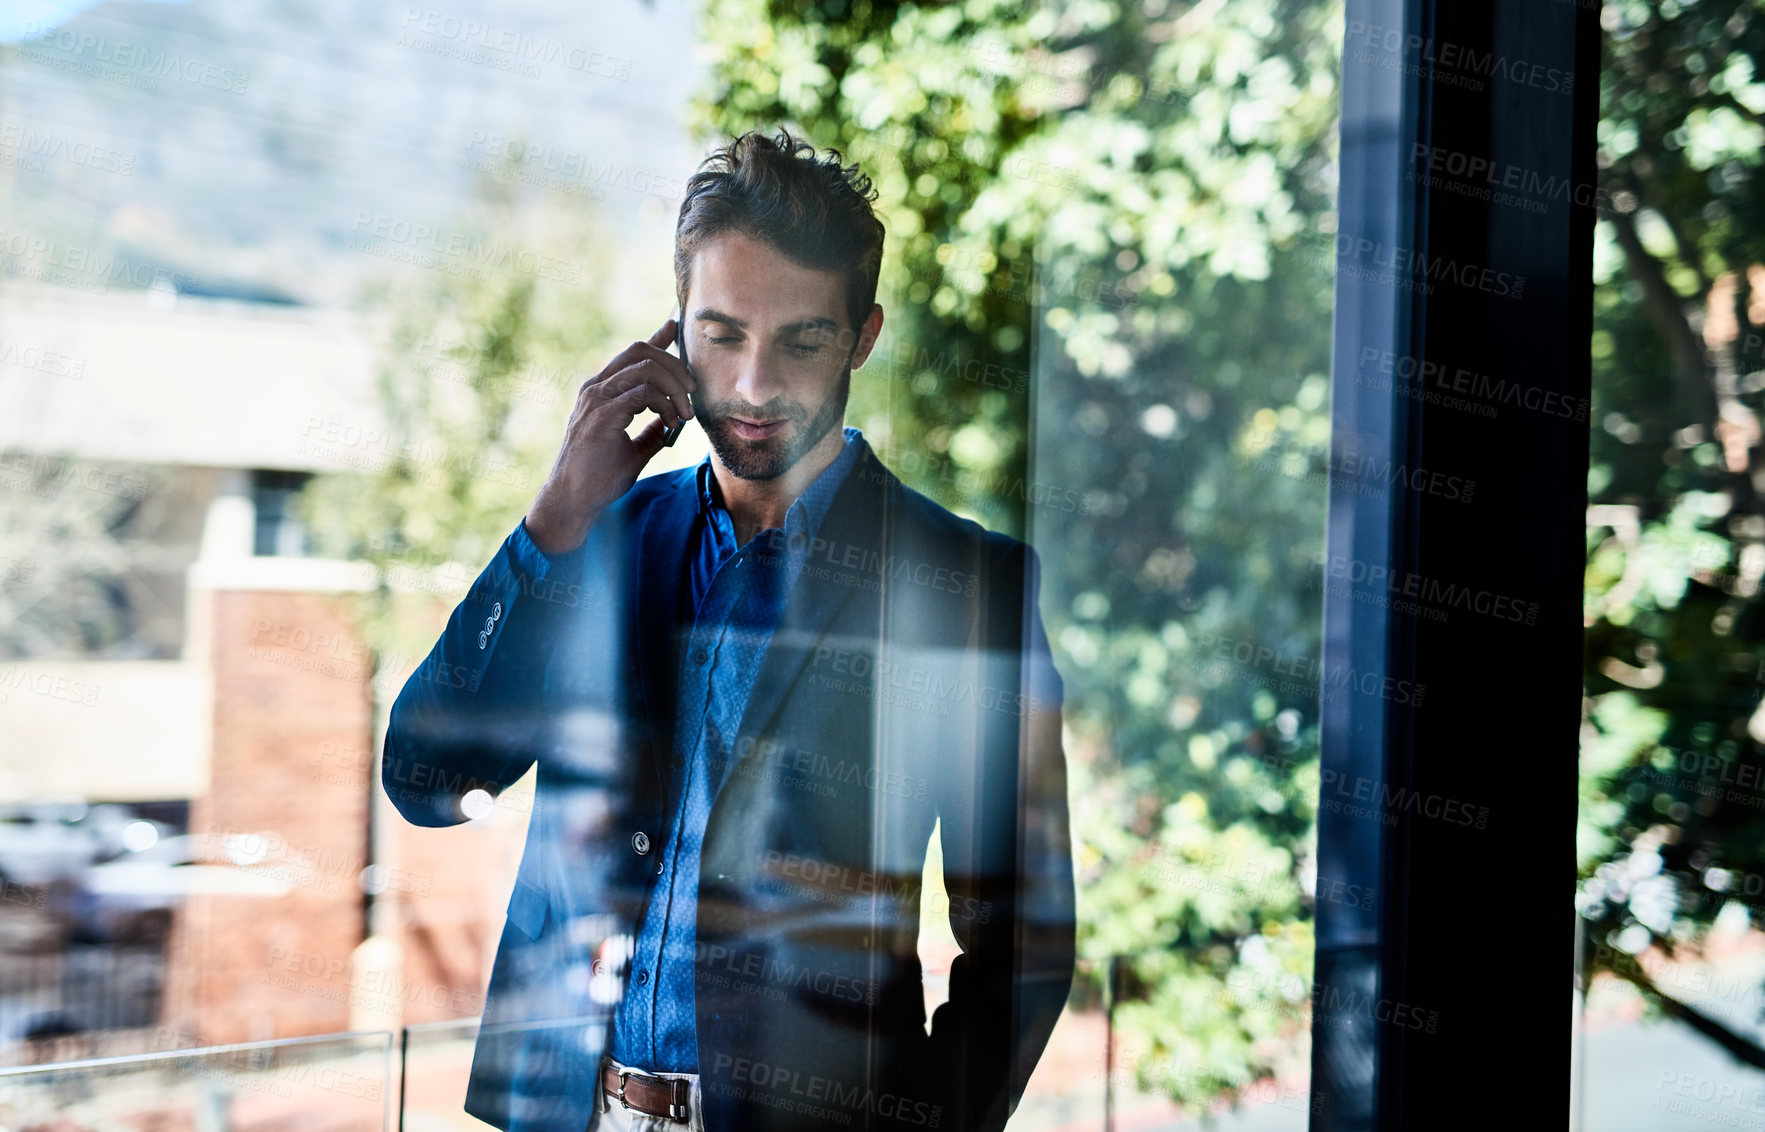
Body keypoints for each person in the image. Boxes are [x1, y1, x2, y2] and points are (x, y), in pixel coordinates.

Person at [382, 126, 1074, 1132]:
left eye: (801, 339)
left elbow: (1023, 939)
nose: (753, 385)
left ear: (862, 336)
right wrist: (553, 522)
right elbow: (426, 782)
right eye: (721, 334)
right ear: (673, 330)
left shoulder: (968, 588)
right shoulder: (595, 544)